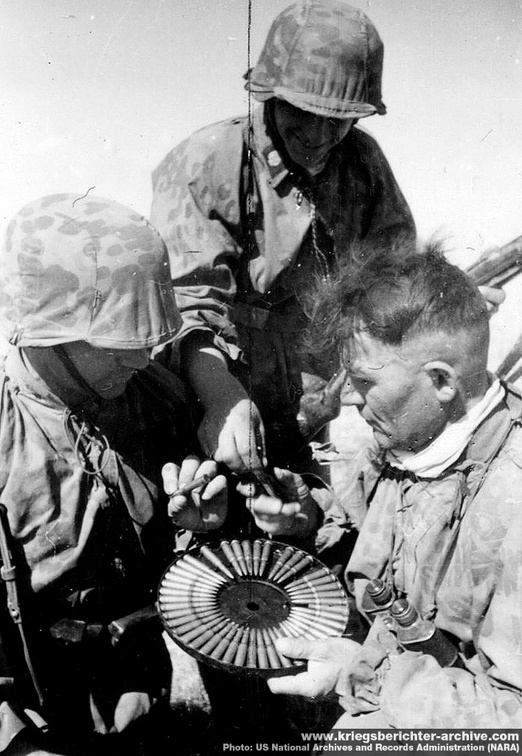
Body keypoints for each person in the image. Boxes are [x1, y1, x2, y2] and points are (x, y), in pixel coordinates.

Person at [245, 243, 522, 728]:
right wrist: (308, 521)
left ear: (441, 381)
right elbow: (382, 579)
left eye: (363, 380)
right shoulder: (408, 446)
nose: (348, 398)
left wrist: (364, 677)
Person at [0, 194, 227, 755]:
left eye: (147, 339)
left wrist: (199, 526)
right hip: (26, 705)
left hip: (135, 685)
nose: (142, 359)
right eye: (119, 343)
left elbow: (190, 568)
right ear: (46, 332)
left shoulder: (155, 399)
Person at [150, 0, 416, 477]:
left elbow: (391, 280)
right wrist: (221, 400)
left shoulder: (363, 165)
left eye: (337, 119)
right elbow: (186, 304)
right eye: (303, 111)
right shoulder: (209, 160)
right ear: (270, 95)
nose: (318, 134)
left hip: (307, 420)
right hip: (201, 408)